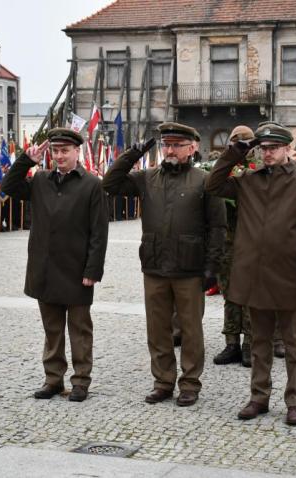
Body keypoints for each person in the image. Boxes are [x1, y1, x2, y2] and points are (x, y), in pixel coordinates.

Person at [206, 122, 296, 426]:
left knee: (292, 343)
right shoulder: (247, 179)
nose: (268, 153)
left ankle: (295, 401)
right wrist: (237, 151)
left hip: (289, 272)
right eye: (264, 148)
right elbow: (213, 184)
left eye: (274, 148)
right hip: (254, 272)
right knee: (258, 341)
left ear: (287, 149)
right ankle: (258, 397)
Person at [103, 122, 226, 407]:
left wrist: (212, 267)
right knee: (157, 329)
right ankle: (163, 381)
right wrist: (133, 153)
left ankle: (190, 384)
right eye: (166, 144)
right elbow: (109, 183)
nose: (170, 150)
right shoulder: (148, 178)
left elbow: (218, 227)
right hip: (155, 265)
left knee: (191, 330)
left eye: (176, 145)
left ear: (192, 148)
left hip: (190, 268)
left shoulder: (204, 180)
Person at [1, 127, 109, 402]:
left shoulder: (92, 184)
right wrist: (27, 160)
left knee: (80, 330)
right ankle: (53, 379)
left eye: (64, 151)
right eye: (55, 151)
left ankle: (81, 380)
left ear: (77, 152)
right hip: (45, 268)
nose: (59, 156)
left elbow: (99, 232)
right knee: (52, 329)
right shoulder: (40, 180)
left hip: (76, 270)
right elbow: (8, 187)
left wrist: (92, 270)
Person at [212, 126, 256, 368]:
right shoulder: (224, 168)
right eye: (237, 143)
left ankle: (250, 342)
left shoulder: (256, 172)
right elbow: (213, 186)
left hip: (251, 243)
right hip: (228, 242)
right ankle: (231, 342)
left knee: (250, 295)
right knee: (229, 294)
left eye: (246, 143)